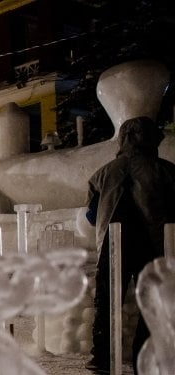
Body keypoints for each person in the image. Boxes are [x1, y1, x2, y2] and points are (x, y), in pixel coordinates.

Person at [84, 117, 175, 374]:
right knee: (151, 300)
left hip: (113, 244)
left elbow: (91, 215)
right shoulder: (166, 171)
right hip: (152, 243)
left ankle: (102, 357)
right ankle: (142, 357)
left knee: (107, 302)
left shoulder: (103, 173)